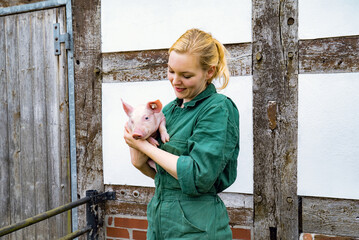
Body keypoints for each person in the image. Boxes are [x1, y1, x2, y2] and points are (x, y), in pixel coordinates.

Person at [124, 28, 240, 240]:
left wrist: (144, 147)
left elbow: (199, 176)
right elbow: (161, 176)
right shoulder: (167, 111)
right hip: (160, 220)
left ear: (210, 72)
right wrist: (137, 147)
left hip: (196, 227)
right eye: (171, 71)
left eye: (186, 75)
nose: (175, 81)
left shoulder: (217, 108)